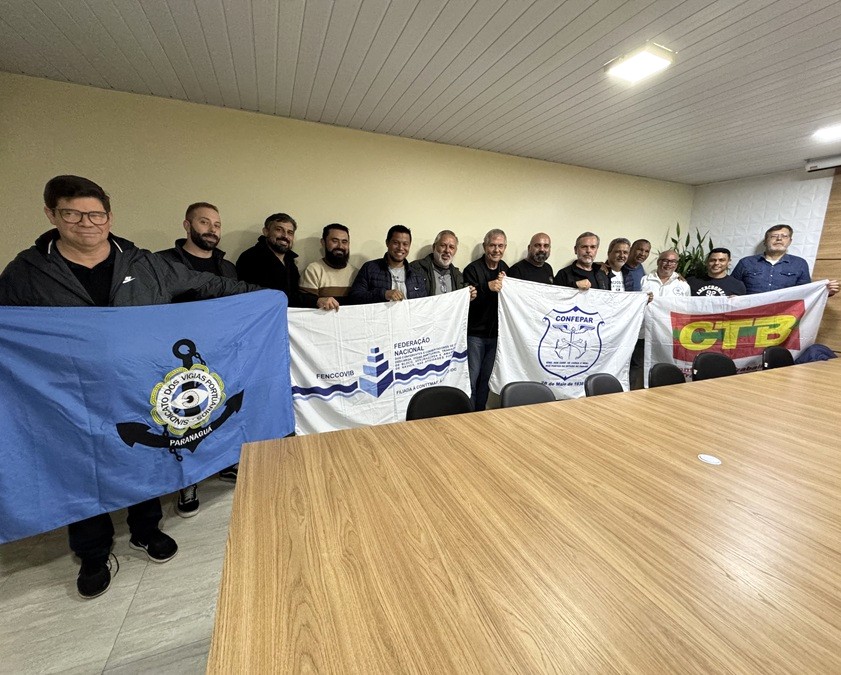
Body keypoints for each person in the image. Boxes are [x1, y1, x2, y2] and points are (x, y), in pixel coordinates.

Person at [0, 175, 254, 599]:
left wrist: (269, 297)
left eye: (95, 214)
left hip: (136, 386)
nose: (86, 223)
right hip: (67, 394)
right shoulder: (27, 272)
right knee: (80, 469)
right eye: (72, 213)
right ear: (51, 214)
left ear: (109, 217)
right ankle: (92, 552)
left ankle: (145, 529)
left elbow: (208, 283)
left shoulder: (143, 263)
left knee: (141, 460)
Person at [156, 202, 240, 518]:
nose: (212, 229)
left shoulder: (227, 267)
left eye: (217, 224)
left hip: (222, 351)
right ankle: (188, 480)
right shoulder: (163, 263)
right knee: (186, 416)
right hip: (178, 354)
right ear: (187, 225)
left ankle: (226, 461)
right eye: (204, 222)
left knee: (222, 408)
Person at [463, 229, 509, 411]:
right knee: (471, 379)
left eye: (500, 246)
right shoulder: (472, 269)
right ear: (485, 246)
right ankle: (467, 414)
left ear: (505, 247)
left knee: (487, 381)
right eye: (492, 245)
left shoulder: (506, 269)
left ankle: (480, 414)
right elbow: (466, 299)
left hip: (496, 336)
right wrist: (486, 287)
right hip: (474, 335)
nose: (496, 250)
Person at [731, 224, 839, 296]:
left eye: (784, 236)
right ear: (765, 241)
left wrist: (825, 291)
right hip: (747, 315)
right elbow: (730, 288)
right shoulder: (746, 262)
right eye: (774, 236)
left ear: (790, 241)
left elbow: (805, 294)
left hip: (783, 318)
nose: (779, 239)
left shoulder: (799, 264)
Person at [235, 213, 303, 305]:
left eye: (290, 233)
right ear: (266, 231)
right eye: (279, 230)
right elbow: (264, 296)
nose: (285, 236)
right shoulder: (250, 258)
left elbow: (294, 293)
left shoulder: (290, 261)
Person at [349, 225, 428, 303]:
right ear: (387, 243)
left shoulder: (417, 275)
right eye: (396, 243)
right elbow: (355, 297)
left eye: (405, 244)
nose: (400, 248)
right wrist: (384, 294)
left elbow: (423, 304)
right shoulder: (369, 268)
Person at [300, 223, 358, 310]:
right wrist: (318, 301)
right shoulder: (313, 270)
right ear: (323, 242)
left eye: (344, 242)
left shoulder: (356, 273)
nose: (340, 246)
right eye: (335, 241)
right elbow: (305, 304)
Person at [410, 229, 475, 298]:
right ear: (434, 247)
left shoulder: (458, 275)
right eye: (443, 245)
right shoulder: (416, 269)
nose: (447, 250)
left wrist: (468, 297)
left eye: (451, 247)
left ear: (455, 251)